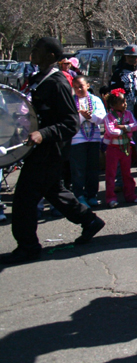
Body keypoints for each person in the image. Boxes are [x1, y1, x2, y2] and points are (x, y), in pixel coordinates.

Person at [1, 38, 105, 264]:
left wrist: (43, 134)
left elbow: (70, 123)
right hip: (39, 150)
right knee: (54, 191)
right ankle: (90, 221)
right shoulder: (38, 79)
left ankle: (28, 247)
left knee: (24, 201)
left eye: (37, 50)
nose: (32, 52)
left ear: (50, 55)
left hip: (50, 150)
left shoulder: (57, 82)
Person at [109, 45, 137, 192]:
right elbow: (112, 95)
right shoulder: (118, 74)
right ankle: (120, 180)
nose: (132, 59)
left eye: (135, 57)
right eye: (129, 57)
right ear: (125, 57)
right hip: (124, 117)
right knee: (123, 148)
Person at [70, 75, 106, 207]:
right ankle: (79, 195)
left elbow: (102, 117)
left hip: (93, 138)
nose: (78, 89)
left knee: (92, 168)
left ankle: (92, 195)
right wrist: (80, 117)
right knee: (78, 169)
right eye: (75, 87)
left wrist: (90, 117)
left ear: (88, 86)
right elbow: (69, 119)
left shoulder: (95, 100)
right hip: (77, 140)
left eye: (81, 86)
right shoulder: (71, 100)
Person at [103, 89, 137, 207]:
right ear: (113, 105)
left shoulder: (128, 114)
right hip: (113, 148)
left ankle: (130, 195)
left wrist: (124, 127)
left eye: (125, 101)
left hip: (125, 147)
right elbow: (111, 131)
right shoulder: (108, 117)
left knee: (127, 173)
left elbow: (135, 125)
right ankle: (110, 198)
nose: (125, 104)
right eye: (122, 102)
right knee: (111, 174)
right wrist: (124, 130)